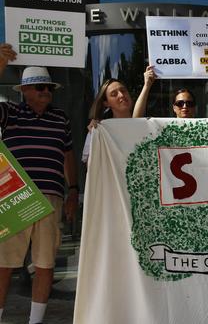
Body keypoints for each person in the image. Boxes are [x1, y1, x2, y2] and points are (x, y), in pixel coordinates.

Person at [0, 45, 79, 324]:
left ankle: (35, 322)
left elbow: (67, 154)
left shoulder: (61, 118)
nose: (46, 91)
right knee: (4, 264)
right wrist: (1, 63)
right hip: (16, 196)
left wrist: (72, 191)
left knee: (45, 265)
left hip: (50, 197)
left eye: (49, 87)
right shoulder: (8, 113)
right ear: (23, 90)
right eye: (39, 87)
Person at [133, 65, 208, 118]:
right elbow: (136, 121)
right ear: (174, 108)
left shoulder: (204, 126)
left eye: (189, 103)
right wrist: (146, 86)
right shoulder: (163, 127)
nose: (185, 106)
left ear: (194, 108)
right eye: (180, 103)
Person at [82, 78, 134, 163]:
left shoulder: (146, 126)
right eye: (114, 94)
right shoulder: (98, 129)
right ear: (106, 103)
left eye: (123, 90)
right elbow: (91, 168)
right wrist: (95, 136)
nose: (121, 95)